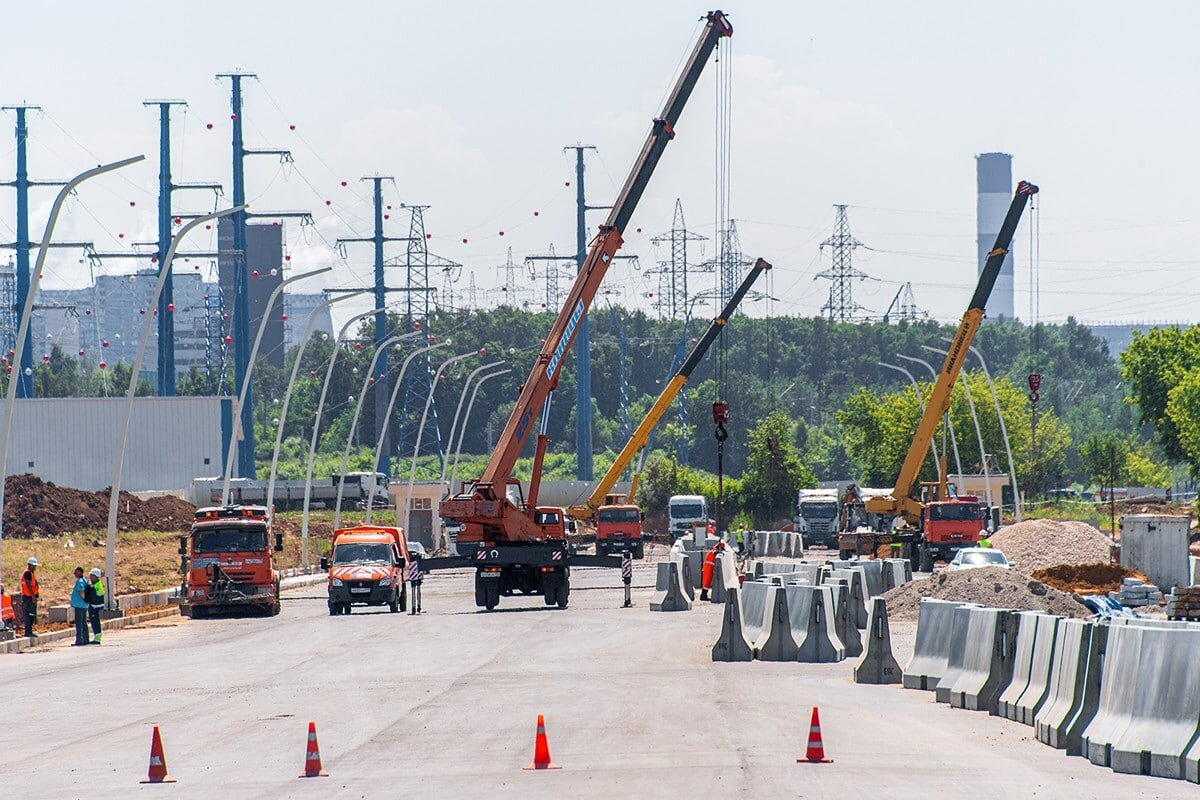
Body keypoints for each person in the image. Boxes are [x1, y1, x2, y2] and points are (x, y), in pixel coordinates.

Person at [70, 567, 90, 646]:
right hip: (83, 605)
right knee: (83, 623)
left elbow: (81, 591)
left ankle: (79, 641)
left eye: (76, 572)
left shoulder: (80, 581)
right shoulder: (84, 580)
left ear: (81, 573)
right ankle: (85, 639)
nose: (75, 573)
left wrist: (84, 599)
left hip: (79, 605)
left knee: (79, 623)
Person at [85, 567, 106, 644]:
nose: (90, 577)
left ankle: (97, 638)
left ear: (95, 576)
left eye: (91, 576)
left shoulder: (96, 586)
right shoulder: (96, 584)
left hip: (95, 607)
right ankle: (97, 637)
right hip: (95, 606)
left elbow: (95, 597)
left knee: (95, 622)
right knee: (95, 622)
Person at [20, 557, 39, 638]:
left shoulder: (30, 573)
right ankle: (28, 632)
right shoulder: (27, 573)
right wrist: (32, 596)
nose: (35, 567)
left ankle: (29, 631)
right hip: (28, 598)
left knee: (30, 615)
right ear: (29, 565)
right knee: (29, 615)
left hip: (29, 597)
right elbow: (28, 584)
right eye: (33, 565)